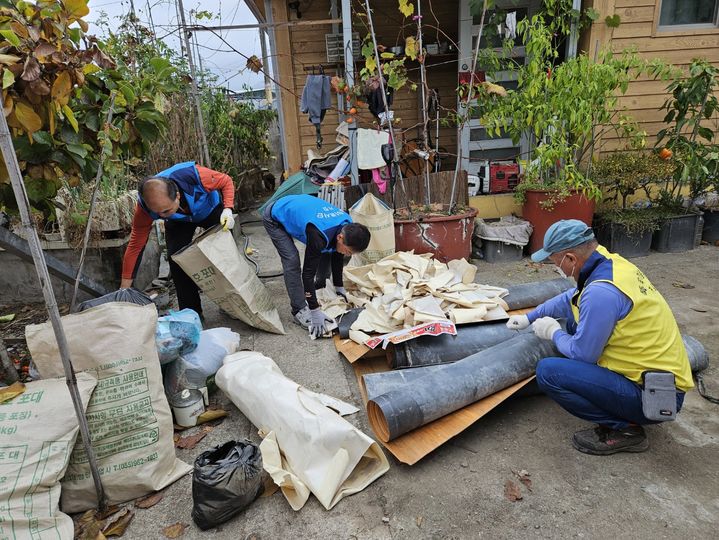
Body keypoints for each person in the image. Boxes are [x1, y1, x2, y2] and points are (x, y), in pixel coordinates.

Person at [506, 219, 693, 455]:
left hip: (656, 397)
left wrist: (553, 332)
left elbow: (583, 355)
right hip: (654, 380)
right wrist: (530, 317)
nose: (558, 269)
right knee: (575, 321)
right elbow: (571, 298)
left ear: (571, 258)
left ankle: (627, 429)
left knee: (549, 372)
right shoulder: (609, 263)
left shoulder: (601, 292)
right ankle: (623, 409)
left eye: (556, 263)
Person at [121, 162, 235, 317]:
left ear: (177, 196)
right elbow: (135, 245)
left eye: (166, 210)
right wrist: (124, 288)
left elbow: (226, 180)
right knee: (176, 259)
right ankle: (192, 313)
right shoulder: (145, 209)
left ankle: (232, 303)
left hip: (209, 210)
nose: (162, 216)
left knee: (225, 254)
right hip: (179, 221)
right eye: (158, 213)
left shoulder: (194, 175)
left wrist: (228, 208)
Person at [262, 194, 370, 338]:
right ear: (340, 237)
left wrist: (339, 287)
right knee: (292, 261)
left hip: (299, 207)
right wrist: (314, 310)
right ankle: (298, 310)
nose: (349, 255)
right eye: (349, 251)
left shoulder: (347, 224)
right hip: (275, 217)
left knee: (330, 249)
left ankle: (319, 287)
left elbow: (337, 256)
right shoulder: (318, 234)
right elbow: (307, 274)